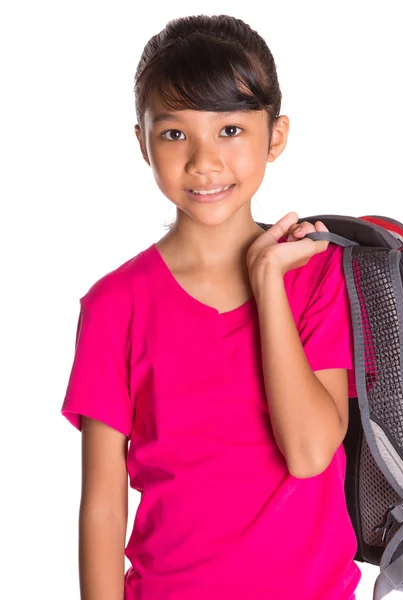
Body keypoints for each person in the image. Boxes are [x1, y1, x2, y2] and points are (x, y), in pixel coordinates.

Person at [60, 14, 361, 600]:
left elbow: (308, 452)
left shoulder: (318, 275)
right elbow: (101, 505)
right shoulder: (113, 305)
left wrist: (267, 281)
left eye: (230, 130)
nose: (203, 161)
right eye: (175, 134)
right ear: (143, 141)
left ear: (275, 137)